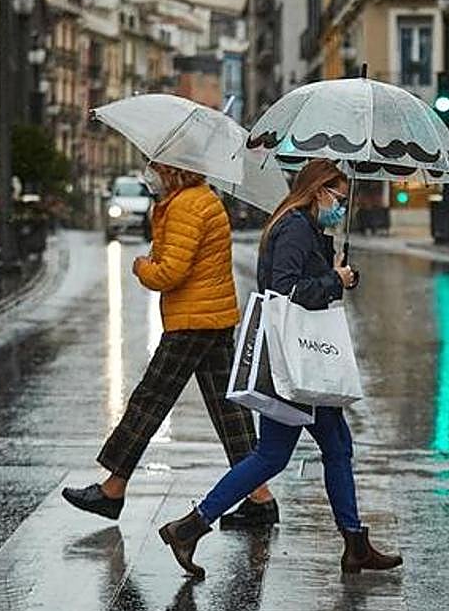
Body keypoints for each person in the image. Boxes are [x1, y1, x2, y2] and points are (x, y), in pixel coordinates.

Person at [158, 159, 402, 579]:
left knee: (330, 447)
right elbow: (283, 290)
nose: (342, 208)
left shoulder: (307, 228)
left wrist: (337, 270)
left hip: (303, 362)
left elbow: (304, 280)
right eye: (339, 199)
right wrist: (333, 281)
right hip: (294, 364)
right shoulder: (292, 228)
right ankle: (190, 526)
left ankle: (353, 542)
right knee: (280, 454)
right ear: (318, 191)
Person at [61, 162, 278, 527]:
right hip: (213, 317)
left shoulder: (186, 206)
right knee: (229, 410)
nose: (150, 175)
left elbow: (170, 272)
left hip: (192, 321)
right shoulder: (198, 199)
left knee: (150, 400)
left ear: (174, 172)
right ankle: (260, 497)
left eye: (156, 168)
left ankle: (113, 489)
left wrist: (142, 266)